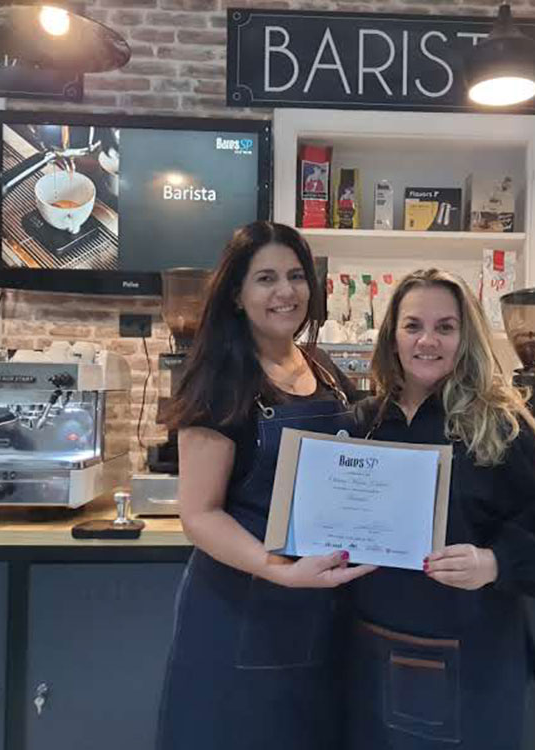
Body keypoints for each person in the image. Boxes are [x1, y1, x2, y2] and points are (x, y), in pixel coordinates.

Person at [155, 221, 374, 750]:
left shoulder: (322, 368)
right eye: (266, 278)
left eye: (296, 276)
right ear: (236, 294)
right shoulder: (218, 379)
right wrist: (277, 568)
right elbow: (200, 514)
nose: (286, 292)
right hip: (243, 609)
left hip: (321, 607)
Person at [346, 268, 535, 749]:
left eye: (445, 327)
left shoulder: (501, 426)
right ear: (392, 336)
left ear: (464, 337)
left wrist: (492, 563)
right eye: (413, 326)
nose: (427, 340)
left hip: (472, 664)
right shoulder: (365, 422)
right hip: (368, 653)